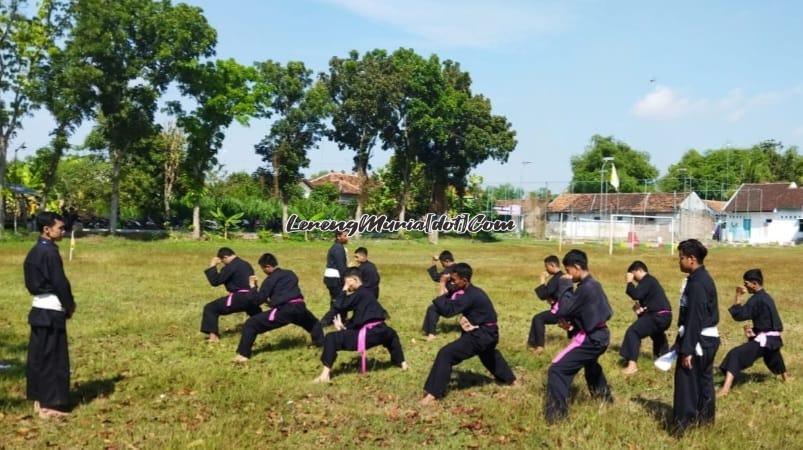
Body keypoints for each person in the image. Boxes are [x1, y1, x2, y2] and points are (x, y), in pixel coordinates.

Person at [420, 263, 516, 404]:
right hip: (487, 333)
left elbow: (447, 311)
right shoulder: (469, 290)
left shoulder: (471, 295)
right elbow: (447, 301)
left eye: (454, 280)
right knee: (487, 354)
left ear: (464, 280)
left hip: (483, 335)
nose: (451, 282)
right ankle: (511, 381)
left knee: (446, 354)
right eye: (450, 279)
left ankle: (432, 395)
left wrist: (441, 284)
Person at [544, 249, 613, 424]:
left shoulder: (586, 288)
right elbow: (602, 312)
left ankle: (557, 417)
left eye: (568, 270)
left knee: (557, 370)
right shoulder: (593, 285)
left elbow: (564, 309)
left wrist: (564, 286)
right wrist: (574, 326)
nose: (567, 274)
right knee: (590, 364)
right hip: (600, 336)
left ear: (576, 267)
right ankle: (605, 398)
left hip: (593, 339)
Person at [313, 268, 407, 383]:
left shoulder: (359, 293)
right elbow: (360, 318)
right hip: (383, 330)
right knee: (392, 335)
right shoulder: (367, 294)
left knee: (331, 338)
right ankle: (403, 364)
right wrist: (344, 328)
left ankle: (324, 375)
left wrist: (343, 290)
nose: (347, 286)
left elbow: (338, 305)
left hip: (369, 334)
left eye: (347, 282)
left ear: (354, 280)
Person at [24, 212, 76, 418]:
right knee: (53, 358)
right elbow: (59, 282)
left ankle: (38, 399)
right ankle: (49, 405)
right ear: (47, 229)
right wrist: (69, 305)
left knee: (38, 356)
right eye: (60, 228)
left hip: (38, 310)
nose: (63, 231)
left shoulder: (35, 251)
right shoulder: (50, 253)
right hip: (51, 310)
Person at [233, 253, 324, 362]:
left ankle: (243, 355)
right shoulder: (290, 273)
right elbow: (286, 291)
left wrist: (253, 287)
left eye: (262, 268)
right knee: (314, 323)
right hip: (300, 306)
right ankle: (321, 345)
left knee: (250, 324)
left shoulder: (270, 280)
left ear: (267, 267)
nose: (263, 271)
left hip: (285, 309)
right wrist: (273, 302)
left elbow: (257, 300)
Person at [673, 239, 720, 434]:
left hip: (699, 340)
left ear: (692, 259)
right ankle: (705, 420)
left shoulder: (698, 284)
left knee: (686, 383)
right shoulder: (699, 279)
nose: (679, 261)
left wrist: (687, 350)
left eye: (681, 257)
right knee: (703, 381)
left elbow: (694, 318)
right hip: (707, 340)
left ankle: (682, 426)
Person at [718, 269, 789, 397]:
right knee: (773, 355)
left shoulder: (756, 299)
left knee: (735, 354)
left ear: (754, 283)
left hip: (765, 340)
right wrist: (755, 332)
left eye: (746, 284)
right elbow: (771, 323)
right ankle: (786, 378)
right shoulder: (767, 297)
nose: (745, 286)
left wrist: (738, 295)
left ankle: (725, 390)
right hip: (773, 340)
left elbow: (739, 315)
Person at [620, 260, 672, 375]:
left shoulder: (647, 280)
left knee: (633, 332)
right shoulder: (649, 283)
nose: (633, 278)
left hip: (658, 316)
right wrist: (639, 311)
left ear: (639, 270)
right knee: (657, 335)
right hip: (664, 316)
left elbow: (635, 295)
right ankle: (663, 363)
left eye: (633, 274)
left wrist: (629, 282)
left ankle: (632, 365)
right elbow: (645, 309)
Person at [200, 247, 259, 342]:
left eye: (223, 261)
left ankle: (213, 337)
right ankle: (264, 328)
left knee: (210, 308)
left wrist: (212, 266)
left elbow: (215, 281)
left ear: (225, 257)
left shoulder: (231, 266)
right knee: (253, 310)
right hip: (253, 295)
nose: (223, 263)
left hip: (240, 297)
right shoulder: (246, 264)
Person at [527, 255, 564, 354]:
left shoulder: (557, 278)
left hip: (560, 312)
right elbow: (551, 294)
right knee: (537, 318)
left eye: (546, 266)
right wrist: (550, 298)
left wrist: (542, 279)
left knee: (539, 318)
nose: (545, 269)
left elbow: (543, 295)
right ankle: (532, 345)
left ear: (552, 265)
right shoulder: (561, 276)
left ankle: (539, 346)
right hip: (563, 309)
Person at [422, 250, 456, 340]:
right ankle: (427, 331)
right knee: (432, 307)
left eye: (442, 263)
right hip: (455, 297)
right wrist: (434, 262)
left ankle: (431, 333)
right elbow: (436, 277)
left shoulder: (449, 271)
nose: (442, 265)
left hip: (454, 299)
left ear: (447, 261)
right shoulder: (456, 268)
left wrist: (443, 285)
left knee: (433, 308)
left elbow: (436, 278)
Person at [320, 231, 349, 326]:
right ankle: (324, 322)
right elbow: (341, 267)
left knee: (336, 300)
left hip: (331, 277)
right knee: (340, 301)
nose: (347, 237)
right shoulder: (338, 249)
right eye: (345, 236)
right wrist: (345, 281)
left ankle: (339, 319)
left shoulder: (337, 247)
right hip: (335, 278)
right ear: (338, 237)